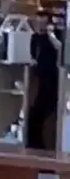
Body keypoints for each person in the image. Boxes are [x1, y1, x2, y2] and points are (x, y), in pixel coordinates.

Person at [28, 11, 61, 149]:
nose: (39, 23)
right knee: (35, 115)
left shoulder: (54, 36)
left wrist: (50, 34)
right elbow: (33, 55)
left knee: (41, 114)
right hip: (40, 80)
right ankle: (36, 146)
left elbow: (59, 47)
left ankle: (40, 147)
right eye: (38, 20)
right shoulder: (35, 38)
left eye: (43, 20)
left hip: (53, 79)